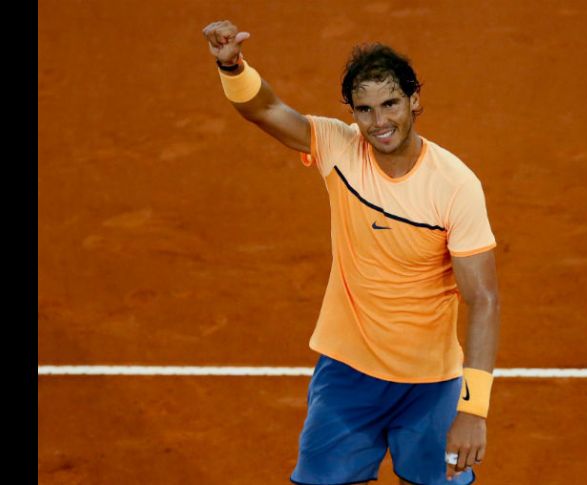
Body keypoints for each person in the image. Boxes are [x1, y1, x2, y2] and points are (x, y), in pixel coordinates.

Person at [202, 20, 501, 485]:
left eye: (390, 104)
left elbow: (482, 298)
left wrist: (473, 409)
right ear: (353, 113)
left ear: (414, 100)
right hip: (346, 374)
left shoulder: (455, 186)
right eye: (364, 109)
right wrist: (232, 65)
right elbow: (265, 109)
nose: (378, 123)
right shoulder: (338, 147)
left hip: (430, 384)